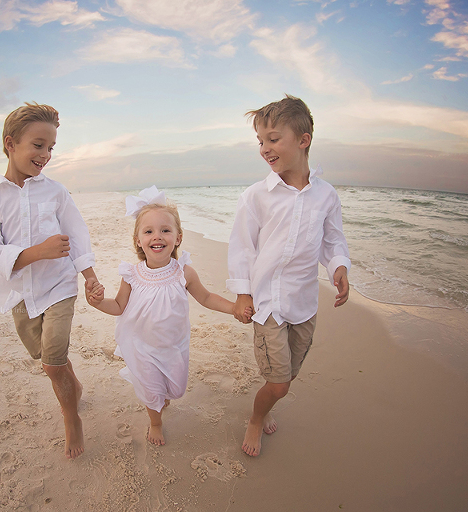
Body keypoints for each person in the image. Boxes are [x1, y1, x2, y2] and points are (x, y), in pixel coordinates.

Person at [0, 102, 103, 459]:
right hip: (19, 294)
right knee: (48, 358)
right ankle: (73, 385)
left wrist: (89, 276)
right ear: (10, 144)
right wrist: (37, 251)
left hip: (59, 287)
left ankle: (71, 419)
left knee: (52, 359)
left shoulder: (56, 192)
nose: (46, 154)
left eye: (51, 148)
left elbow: (77, 233)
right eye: (38, 145)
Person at [227, 95, 351, 457]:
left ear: (303, 139)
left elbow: (333, 239)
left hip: (304, 303)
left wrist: (339, 266)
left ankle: (268, 402)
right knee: (280, 383)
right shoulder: (256, 196)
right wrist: (243, 293)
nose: (265, 148)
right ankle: (255, 418)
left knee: (289, 375)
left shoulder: (326, 196)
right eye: (261, 141)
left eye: (273, 138)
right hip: (268, 304)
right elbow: (241, 247)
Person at [85, 186, 250, 446]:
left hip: (173, 346)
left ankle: (164, 395)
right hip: (142, 347)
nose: (157, 236)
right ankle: (155, 422)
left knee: (175, 389)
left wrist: (234, 307)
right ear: (138, 240)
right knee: (153, 393)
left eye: (165, 230)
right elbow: (118, 306)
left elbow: (206, 298)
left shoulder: (184, 272)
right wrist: (97, 304)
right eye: (148, 231)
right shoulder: (132, 275)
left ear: (178, 237)